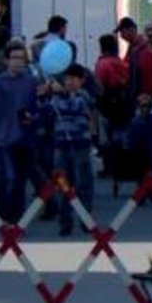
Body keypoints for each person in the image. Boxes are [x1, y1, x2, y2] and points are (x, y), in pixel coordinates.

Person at [0, 42, 41, 223]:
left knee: (19, 181)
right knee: (6, 178)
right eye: (14, 58)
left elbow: (38, 108)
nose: (18, 62)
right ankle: (4, 216)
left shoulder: (31, 81)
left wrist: (33, 118)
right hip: (3, 139)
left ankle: (16, 219)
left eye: (22, 58)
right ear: (6, 61)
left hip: (25, 138)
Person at [40, 64, 96, 236]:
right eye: (67, 79)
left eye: (74, 79)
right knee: (63, 184)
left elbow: (77, 105)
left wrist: (60, 93)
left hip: (81, 145)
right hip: (61, 146)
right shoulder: (56, 98)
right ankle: (65, 221)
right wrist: (43, 95)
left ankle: (86, 220)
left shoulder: (83, 96)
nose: (70, 82)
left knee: (83, 183)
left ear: (82, 81)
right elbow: (45, 112)